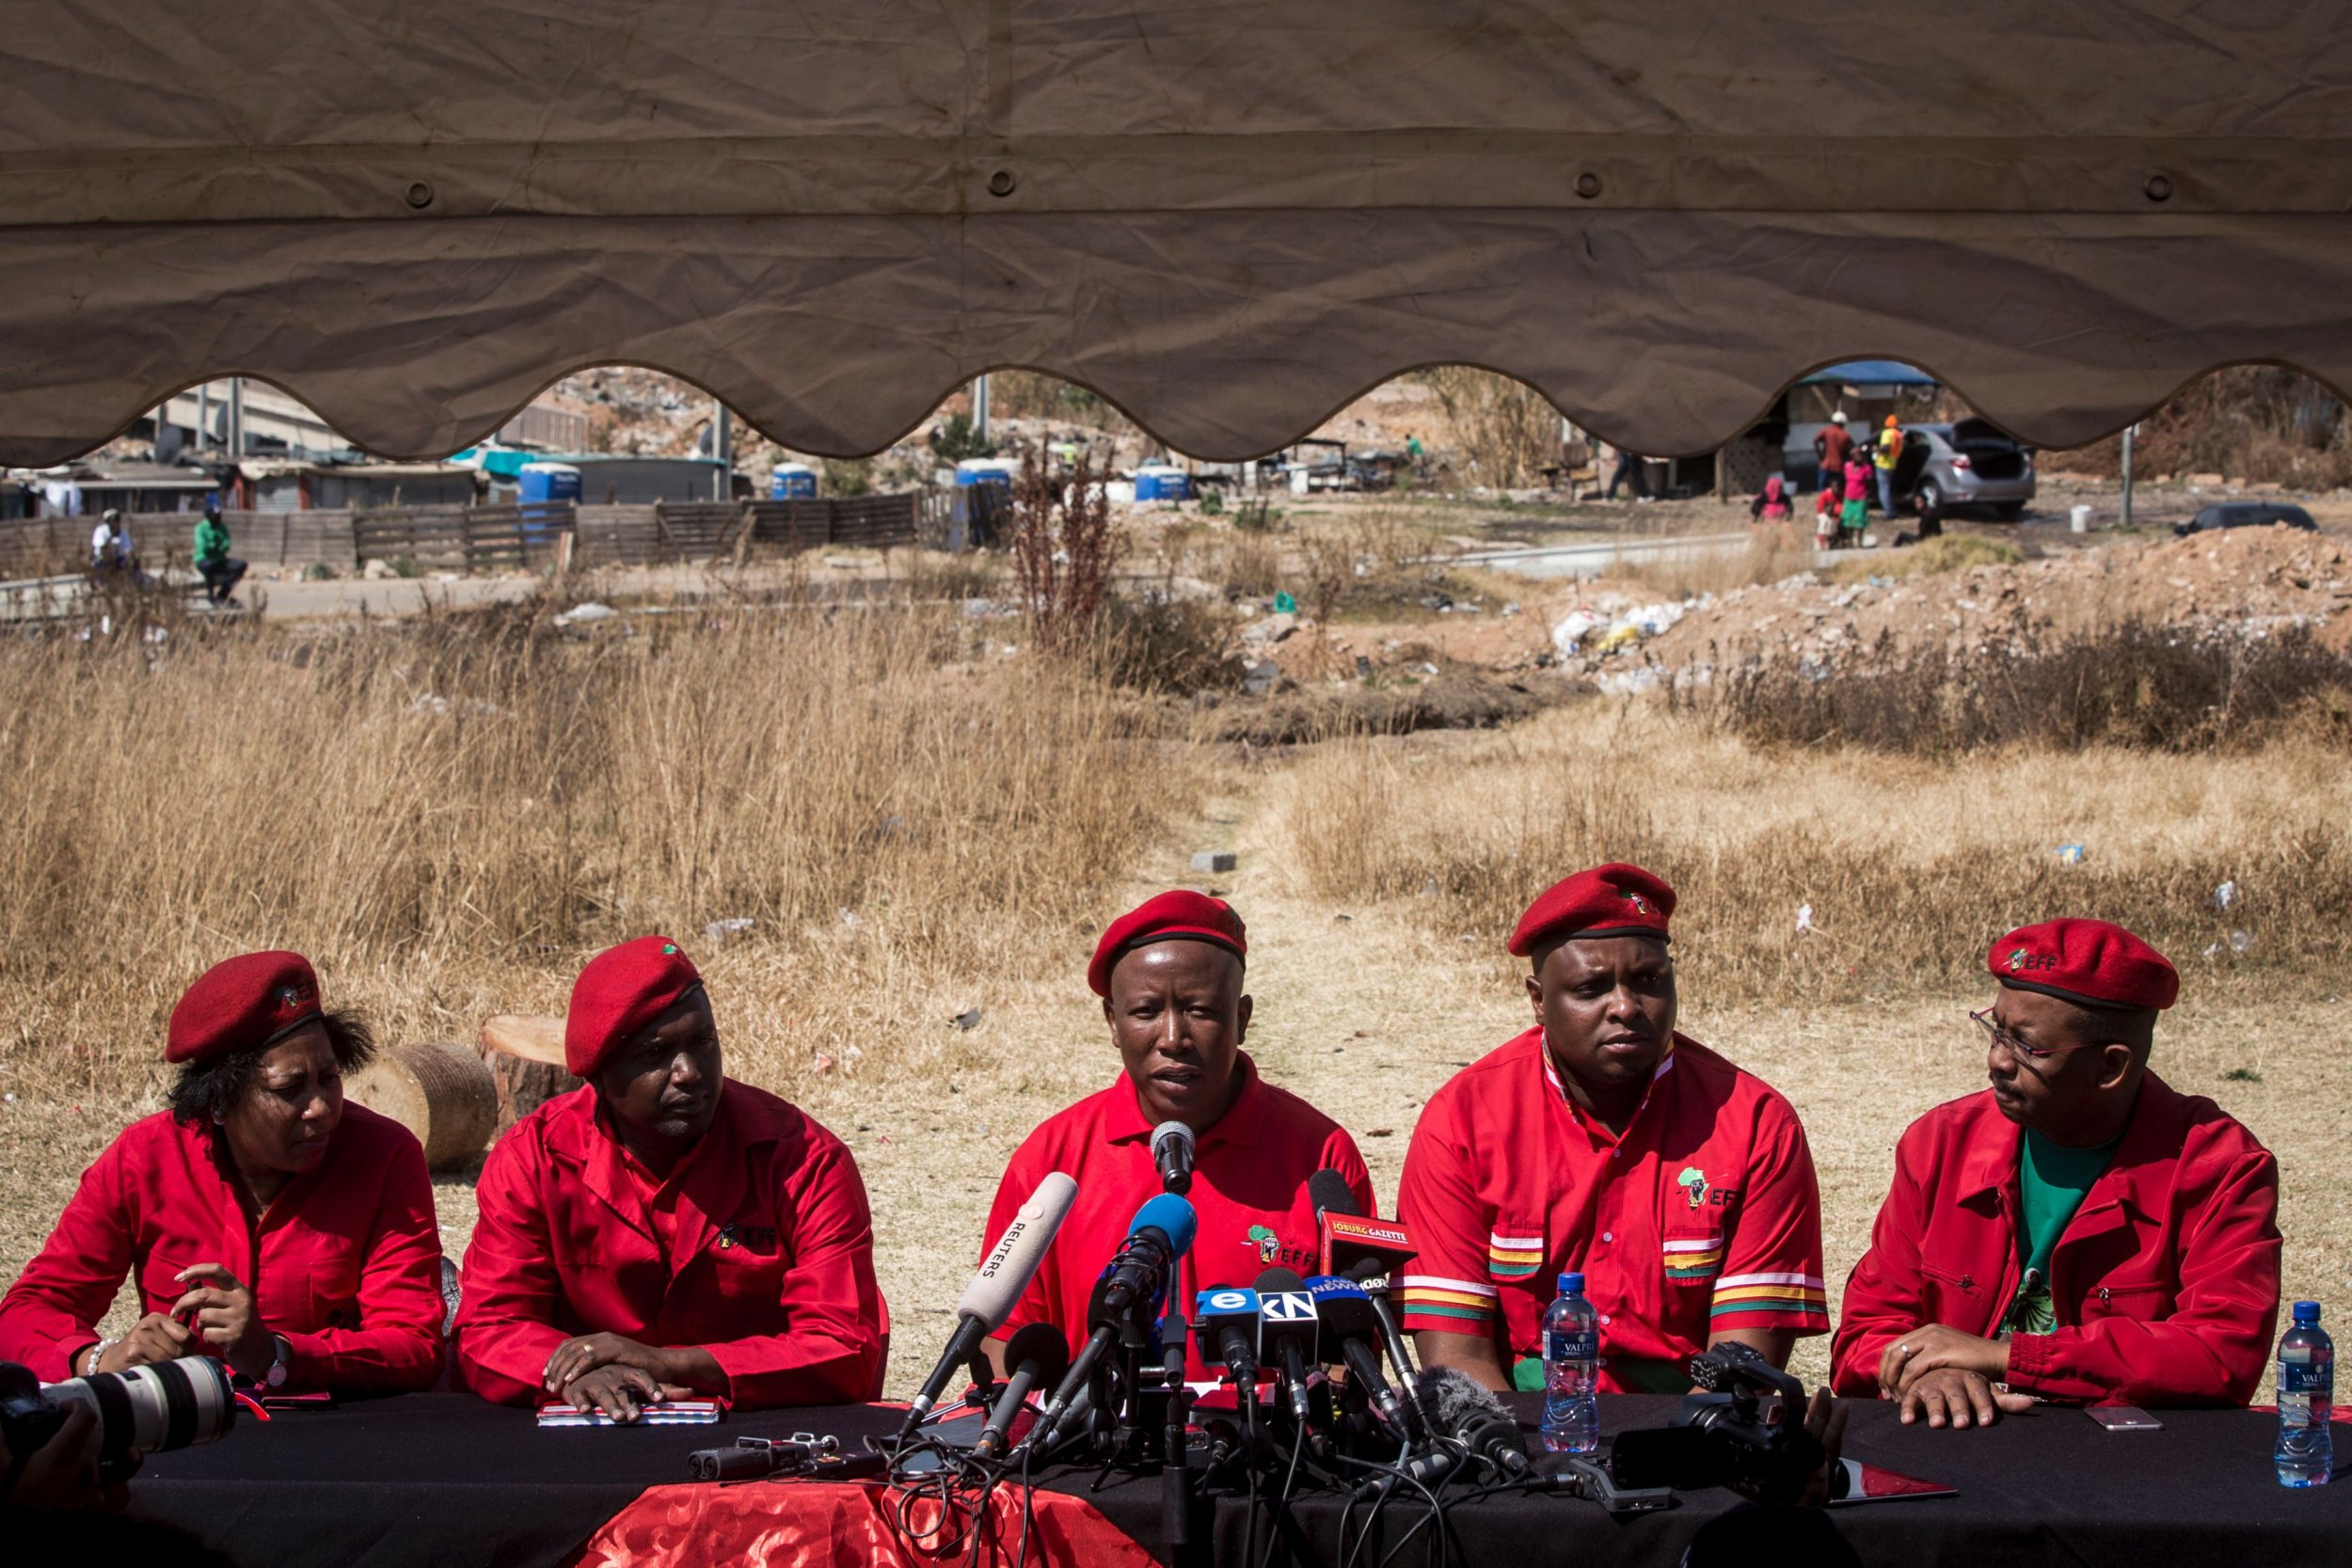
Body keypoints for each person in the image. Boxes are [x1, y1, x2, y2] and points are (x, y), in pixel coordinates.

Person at [1397, 864, 1829, 1394]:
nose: (1625, 1007)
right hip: (1522, 1423)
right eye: (1590, 988)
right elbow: (1458, 1360)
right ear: (1538, 1000)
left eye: (1649, 981)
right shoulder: (1461, 1121)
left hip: (1693, 1423)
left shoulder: (1757, 1123)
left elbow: (1741, 1365)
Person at [1833, 919, 2281, 1426]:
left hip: (2127, 1469)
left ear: (2111, 1068)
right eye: (1996, 1031)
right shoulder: (1940, 1143)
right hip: (1956, 1439)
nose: (1997, 1060)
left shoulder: (2223, 1168)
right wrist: (1925, 1373)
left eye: (2028, 1047)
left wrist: (2008, 1357)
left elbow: (2221, 1357)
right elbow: (1864, 1333)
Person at [455, 936, 888, 1419]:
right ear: (598, 1076)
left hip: (758, 1433)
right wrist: (574, 1373)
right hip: (587, 1428)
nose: (688, 1073)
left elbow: (844, 1346)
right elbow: (491, 1327)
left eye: (703, 1043)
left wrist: (672, 1365)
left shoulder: (803, 1160)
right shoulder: (534, 1160)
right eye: (655, 1053)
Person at [0, 953, 444, 1393]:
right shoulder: (143, 1159)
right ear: (218, 1102)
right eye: (289, 1089)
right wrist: (99, 1360)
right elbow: (27, 1312)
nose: (321, 1108)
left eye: (329, 1078)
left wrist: (278, 1354)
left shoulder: (386, 1157)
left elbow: (414, 1345)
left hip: (334, 1438)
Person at [979, 892, 1375, 1377]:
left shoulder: (1322, 1157)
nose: (1172, 1038)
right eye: (1145, 1011)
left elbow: (1356, 1349)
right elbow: (1004, 1342)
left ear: (1242, 1018)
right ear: (1112, 1022)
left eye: (1200, 1010)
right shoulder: (1051, 1161)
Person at [192, 499, 245, 606]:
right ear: (209, 517)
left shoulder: (222, 527)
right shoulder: (201, 528)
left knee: (241, 565)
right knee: (209, 566)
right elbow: (202, 546)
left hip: (219, 559)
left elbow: (226, 543)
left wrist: (220, 548)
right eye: (215, 516)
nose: (219, 518)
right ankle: (210, 595)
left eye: (219, 515)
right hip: (203, 559)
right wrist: (214, 546)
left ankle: (223, 594)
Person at [1812, 411, 1852, 494]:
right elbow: (1849, 450)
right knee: (1838, 488)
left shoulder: (1826, 431)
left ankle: (1823, 503)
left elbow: (1815, 440)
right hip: (1839, 466)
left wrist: (1820, 455)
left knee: (1823, 487)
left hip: (1826, 464)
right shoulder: (1845, 435)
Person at [1873, 416, 1904, 515]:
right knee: (1888, 489)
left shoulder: (1887, 433)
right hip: (1892, 464)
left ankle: (1888, 512)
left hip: (1883, 464)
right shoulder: (1899, 435)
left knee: (1883, 490)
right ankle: (1892, 510)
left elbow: (1885, 449)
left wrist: (1876, 449)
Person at [1840, 455, 1870, 542]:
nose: (1859, 457)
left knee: (1860, 520)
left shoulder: (1866, 468)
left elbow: (1869, 482)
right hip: (1849, 496)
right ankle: (1850, 540)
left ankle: (1859, 540)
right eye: (1856, 456)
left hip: (1861, 497)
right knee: (1848, 520)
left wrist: (1867, 492)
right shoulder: (1847, 467)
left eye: (1860, 455)